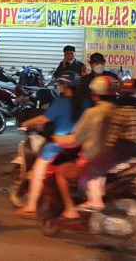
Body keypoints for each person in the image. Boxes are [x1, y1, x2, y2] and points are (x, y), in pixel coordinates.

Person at [16, 72, 91, 217]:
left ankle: (31, 205)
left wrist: (26, 123)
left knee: (38, 169)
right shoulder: (87, 103)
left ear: (64, 86)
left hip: (60, 144)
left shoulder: (60, 103)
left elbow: (43, 120)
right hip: (81, 145)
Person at [79, 79, 136, 210]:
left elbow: (110, 140)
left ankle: (95, 201)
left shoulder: (120, 112)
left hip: (123, 153)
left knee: (92, 167)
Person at [51, 76, 118, 219]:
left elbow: (75, 139)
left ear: (94, 94)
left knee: (61, 172)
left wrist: (56, 139)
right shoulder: (118, 111)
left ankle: (70, 210)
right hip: (114, 161)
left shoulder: (92, 113)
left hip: (93, 160)